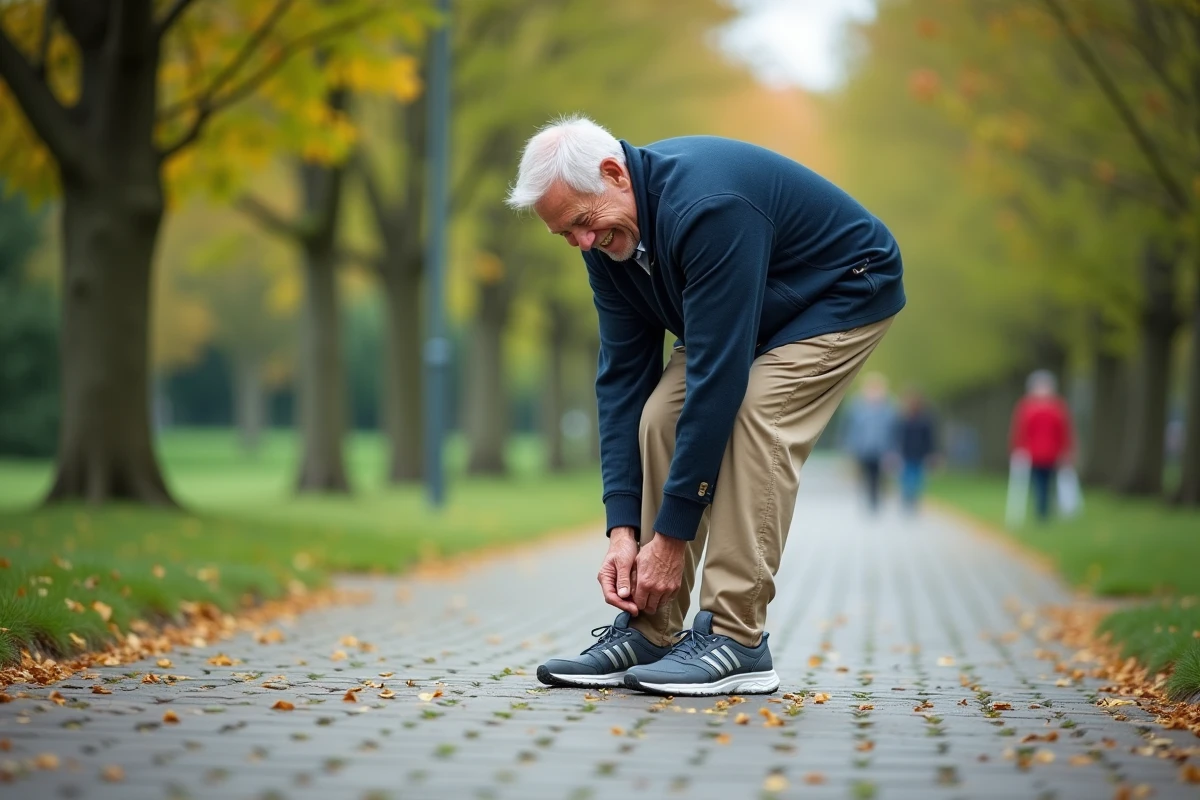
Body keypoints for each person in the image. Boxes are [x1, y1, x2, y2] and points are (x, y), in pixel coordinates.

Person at [505, 116, 905, 696]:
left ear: (615, 174)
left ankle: (737, 638)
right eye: (564, 234)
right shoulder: (602, 242)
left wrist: (669, 536)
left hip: (842, 289)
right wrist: (622, 530)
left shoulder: (709, 207)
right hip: (749, 304)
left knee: (754, 419)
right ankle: (651, 629)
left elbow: (718, 382)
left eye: (583, 224)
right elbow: (622, 382)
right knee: (660, 416)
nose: (581, 243)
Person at [1009, 370, 1074, 522]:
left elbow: (1064, 430)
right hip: (1033, 453)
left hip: (1052, 453)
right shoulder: (1027, 407)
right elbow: (1020, 430)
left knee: (1049, 483)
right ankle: (1042, 512)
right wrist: (1018, 448)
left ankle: (1046, 511)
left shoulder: (1057, 407)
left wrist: (1066, 450)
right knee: (1040, 483)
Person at [840, 373, 897, 514]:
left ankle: (876, 499)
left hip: (882, 448)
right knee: (866, 475)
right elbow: (850, 427)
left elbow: (894, 430)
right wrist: (848, 446)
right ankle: (868, 498)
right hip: (862, 448)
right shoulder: (857, 406)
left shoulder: (889, 407)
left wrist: (893, 450)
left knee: (879, 475)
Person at [893, 388, 938, 513]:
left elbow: (930, 438)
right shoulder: (903, 419)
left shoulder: (926, 419)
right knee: (906, 478)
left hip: (920, 454)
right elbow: (898, 437)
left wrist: (932, 454)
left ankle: (913, 499)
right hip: (906, 453)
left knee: (917, 478)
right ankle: (907, 498)